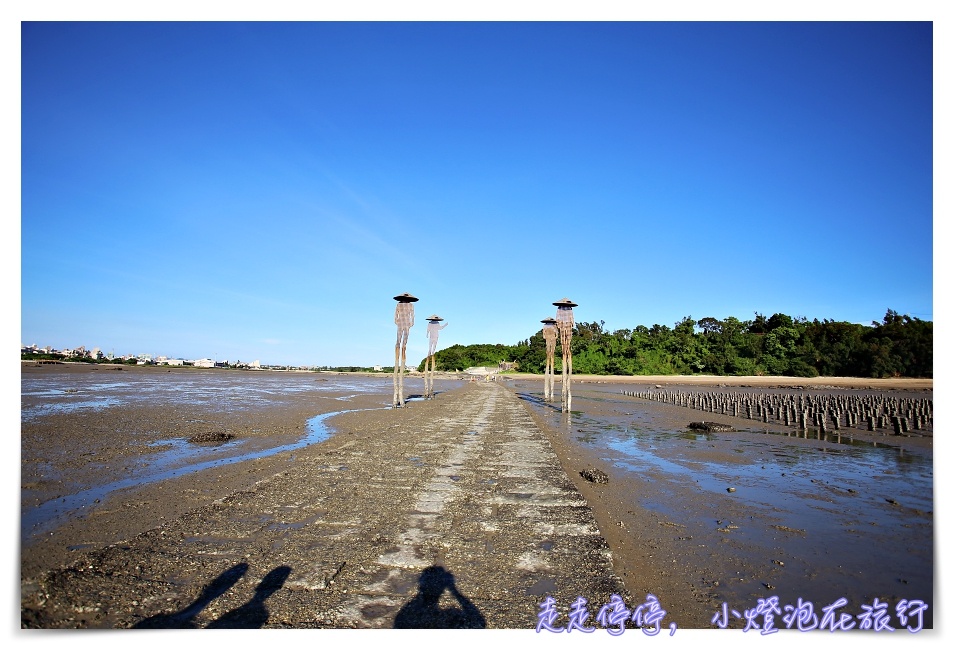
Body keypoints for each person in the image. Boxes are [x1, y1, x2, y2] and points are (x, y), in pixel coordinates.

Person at [393, 293, 418, 407]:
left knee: (405, 338)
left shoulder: (411, 306)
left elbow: (412, 315)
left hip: (406, 323)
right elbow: (395, 314)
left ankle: (402, 347)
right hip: (401, 323)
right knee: (399, 338)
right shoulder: (399, 305)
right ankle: (396, 399)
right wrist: (396, 320)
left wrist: (412, 322)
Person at [553, 298, 577, 412]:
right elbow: (557, 322)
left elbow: (572, 321)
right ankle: (564, 403)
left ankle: (567, 352)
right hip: (563, 327)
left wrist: (570, 323)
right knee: (564, 344)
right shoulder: (559, 310)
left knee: (568, 343)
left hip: (567, 327)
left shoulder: (570, 311)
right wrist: (559, 325)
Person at [424, 315, 448, 398]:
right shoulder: (430, 323)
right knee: (431, 344)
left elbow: (440, 328)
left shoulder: (437, 323)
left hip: (435, 335)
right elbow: (428, 330)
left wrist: (445, 325)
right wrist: (427, 334)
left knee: (434, 344)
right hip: (432, 335)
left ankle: (432, 352)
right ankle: (430, 352)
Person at [541, 317, 558, 402]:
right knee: (550, 353)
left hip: (550, 340)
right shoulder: (553, 327)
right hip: (551, 340)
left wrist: (548, 336)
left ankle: (549, 395)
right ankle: (548, 395)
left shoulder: (546, 327)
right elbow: (556, 335)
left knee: (550, 353)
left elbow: (544, 336)